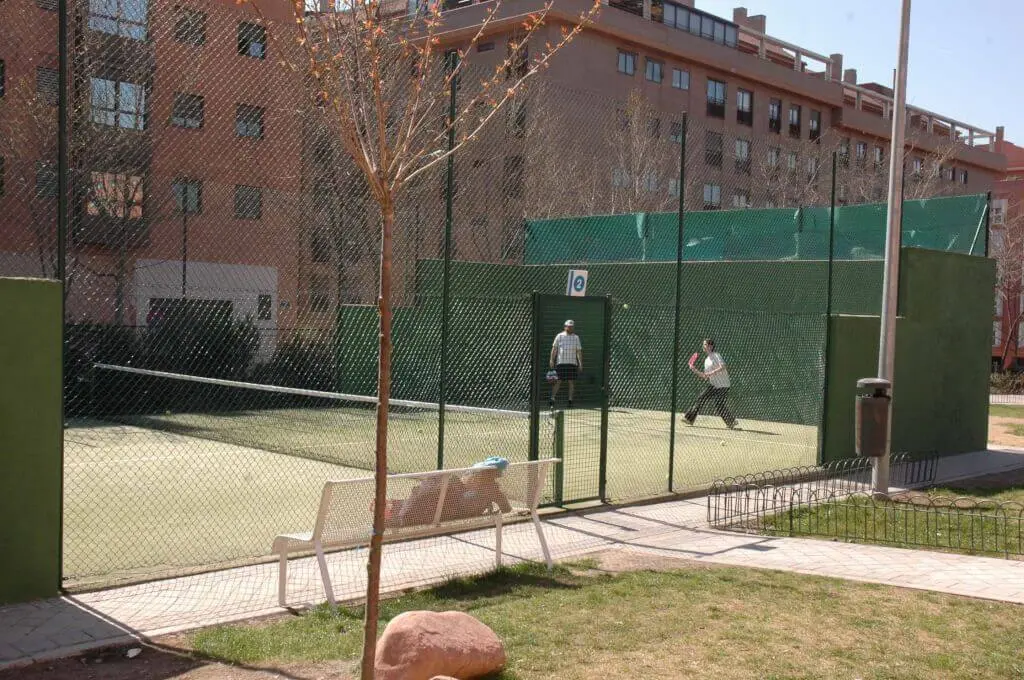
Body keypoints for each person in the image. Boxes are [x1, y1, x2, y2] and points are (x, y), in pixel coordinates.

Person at [684, 338, 737, 429]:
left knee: (718, 404)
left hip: (723, 385)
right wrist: (694, 370)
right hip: (713, 385)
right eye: (703, 344)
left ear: (711, 346)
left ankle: (731, 422)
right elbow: (705, 376)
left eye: (705, 344)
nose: (703, 346)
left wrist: (711, 373)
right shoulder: (706, 360)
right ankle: (689, 419)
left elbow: (723, 366)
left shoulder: (716, 355)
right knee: (701, 398)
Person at [549, 319, 583, 408]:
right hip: (561, 363)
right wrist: (552, 360)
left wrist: (580, 364)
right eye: (568, 326)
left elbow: (578, 351)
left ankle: (570, 401)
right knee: (558, 381)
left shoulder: (576, 337)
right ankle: (552, 399)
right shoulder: (559, 336)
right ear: (565, 327)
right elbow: (554, 349)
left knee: (571, 382)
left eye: (572, 326)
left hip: (572, 363)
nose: (570, 328)